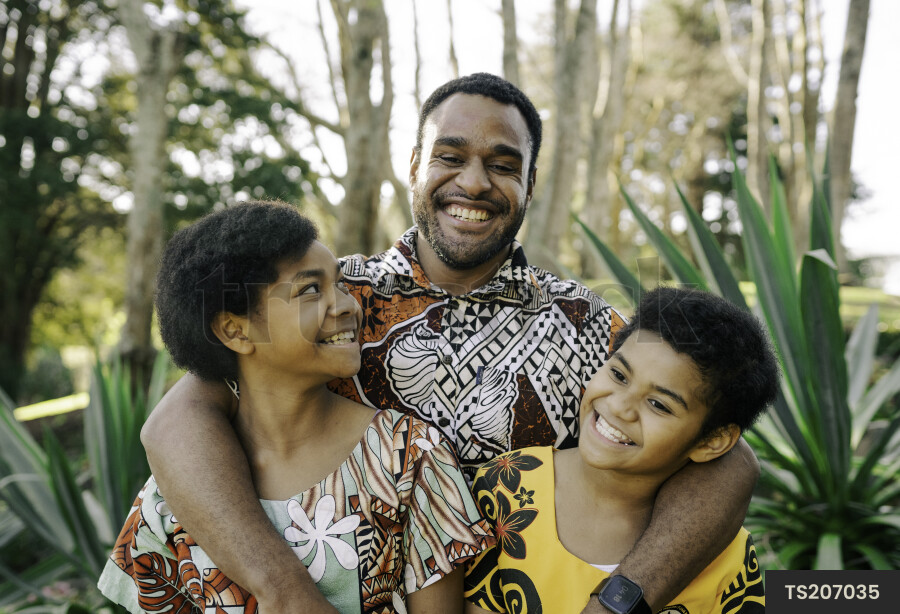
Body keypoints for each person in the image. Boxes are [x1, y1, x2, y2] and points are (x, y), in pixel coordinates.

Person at [140, 73, 761, 614]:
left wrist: (620, 599)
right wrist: (281, 588)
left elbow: (727, 459)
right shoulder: (331, 303)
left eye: (502, 164)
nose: (474, 182)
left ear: (530, 183)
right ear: (415, 165)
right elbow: (178, 419)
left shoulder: (588, 325)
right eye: (450, 155)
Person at [98, 201, 494, 614]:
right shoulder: (175, 491)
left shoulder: (408, 459)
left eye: (339, 285)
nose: (346, 306)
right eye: (310, 290)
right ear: (235, 330)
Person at [465, 287, 778, 613]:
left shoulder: (723, 553)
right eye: (618, 374)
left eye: (658, 404)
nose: (619, 406)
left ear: (712, 441)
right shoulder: (506, 487)